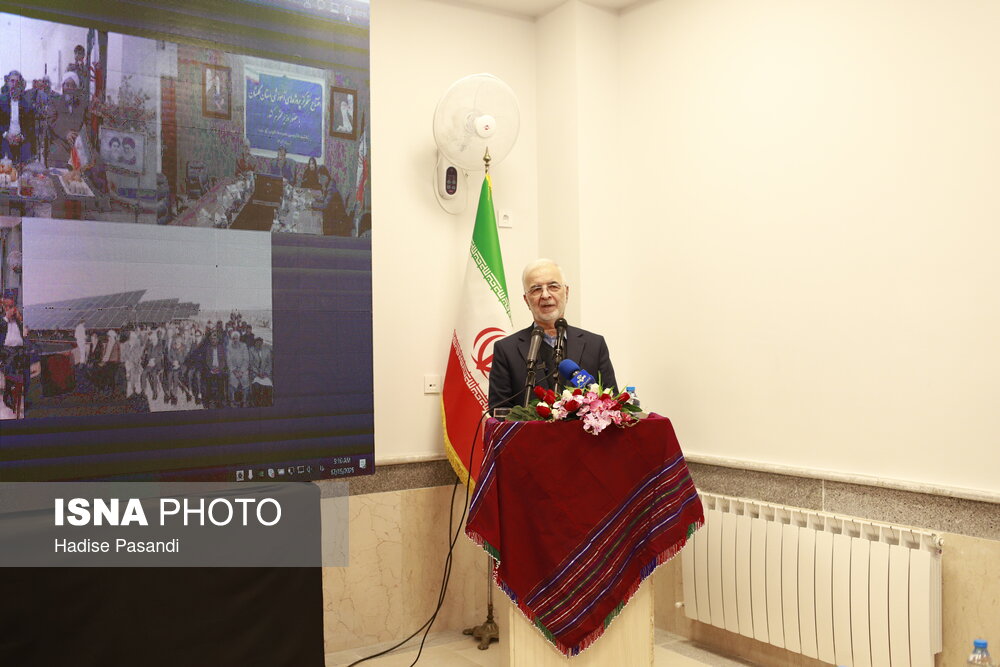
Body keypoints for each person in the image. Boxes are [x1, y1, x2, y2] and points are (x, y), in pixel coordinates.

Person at [488, 259, 617, 412]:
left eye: (553, 286)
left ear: (566, 292)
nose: (545, 295)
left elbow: (611, 404)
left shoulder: (594, 345)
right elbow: (499, 412)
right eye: (536, 289)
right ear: (526, 300)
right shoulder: (506, 349)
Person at [47, 72, 88, 168]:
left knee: (92, 160)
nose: (70, 88)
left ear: (76, 88)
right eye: (67, 85)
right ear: (63, 86)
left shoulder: (83, 104)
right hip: (59, 140)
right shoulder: (54, 102)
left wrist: (80, 137)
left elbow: (87, 123)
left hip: (78, 141)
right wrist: (66, 133)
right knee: (56, 155)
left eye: (73, 86)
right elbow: (52, 121)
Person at [0, 70, 36, 163]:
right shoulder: (1, 101)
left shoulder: (27, 104)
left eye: (17, 82)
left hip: (21, 141)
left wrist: (21, 136)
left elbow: (30, 126)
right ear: (8, 83)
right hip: (4, 140)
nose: (14, 84)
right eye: (12, 81)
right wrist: (6, 135)